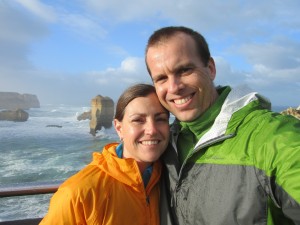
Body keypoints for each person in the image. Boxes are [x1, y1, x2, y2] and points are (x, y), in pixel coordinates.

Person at [145, 26, 300, 225]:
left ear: (210, 68)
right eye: (162, 79)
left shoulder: (273, 137)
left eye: (184, 70)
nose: (174, 87)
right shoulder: (164, 142)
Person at [39, 83, 170, 225]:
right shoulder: (79, 194)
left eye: (160, 119)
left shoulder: (171, 177)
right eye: (138, 120)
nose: (152, 130)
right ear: (119, 128)